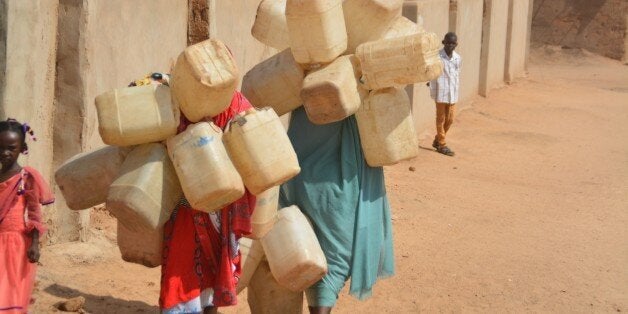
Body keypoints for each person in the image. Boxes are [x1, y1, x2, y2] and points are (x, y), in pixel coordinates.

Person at [146, 71, 256, 314]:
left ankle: (189, 307)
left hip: (192, 198)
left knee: (186, 261)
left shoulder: (181, 98)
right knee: (205, 263)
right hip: (217, 202)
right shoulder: (238, 103)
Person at [279, 107, 395, 314]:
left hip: (295, 177)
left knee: (302, 252)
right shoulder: (349, 85)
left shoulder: (300, 80)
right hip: (336, 181)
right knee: (336, 258)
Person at [0, 119, 54, 313]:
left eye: (10, 148)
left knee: (11, 288)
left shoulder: (26, 177)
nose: (4, 153)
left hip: (15, 244)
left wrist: (35, 243)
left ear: (21, 148)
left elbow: (34, 212)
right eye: (0, 148)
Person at [429, 32, 461, 157]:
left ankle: (437, 139)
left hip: (452, 92)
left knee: (451, 119)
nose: (450, 45)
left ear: (456, 44)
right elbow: (432, 71)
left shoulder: (458, 58)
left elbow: (457, 74)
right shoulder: (437, 57)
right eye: (447, 43)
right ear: (443, 43)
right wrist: (430, 83)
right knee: (441, 119)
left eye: (452, 43)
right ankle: (442, 144)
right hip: (440, 92)